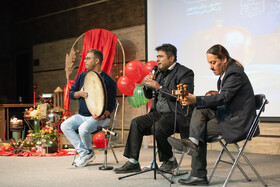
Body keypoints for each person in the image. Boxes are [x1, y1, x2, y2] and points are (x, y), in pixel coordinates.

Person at [168, 44, 258, 185]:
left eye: (213, 62)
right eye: (209, 63)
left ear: (223, 59)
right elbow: (222, 100)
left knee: (200, 131)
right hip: (228, 115)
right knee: (200, 109)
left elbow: (224, 98)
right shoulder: (225, 75)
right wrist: (195, 101)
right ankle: (193, 142)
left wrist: (196, 99)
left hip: (238, 122)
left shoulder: (234, 73)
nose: (210, 66)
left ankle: (198, 172)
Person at [114, 43, 194, 174]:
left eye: (160, 56)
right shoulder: (157, 72)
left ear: (171, 58)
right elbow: (147, 95)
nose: (157, 60)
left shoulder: (185, 73)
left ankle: (169, 159)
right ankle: (133, 161)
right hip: (158, 112)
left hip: (176, 113)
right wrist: (146, 85)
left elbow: (185, 95)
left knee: (158, 127)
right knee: (136, 123)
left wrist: (160, 88)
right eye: (157, 56)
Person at [61, 49, 116, 167]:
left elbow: (111, 104)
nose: (84, 60)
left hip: (100, 118)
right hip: (82, 116)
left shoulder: (108, 81)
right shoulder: (81, 76)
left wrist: (103, 115)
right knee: (65, 125)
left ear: (97, 61)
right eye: (85, 58)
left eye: (88, 58)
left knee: (83, 129)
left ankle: (86, 154)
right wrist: (79, 94)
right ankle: (86, 153)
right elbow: (71, 94)